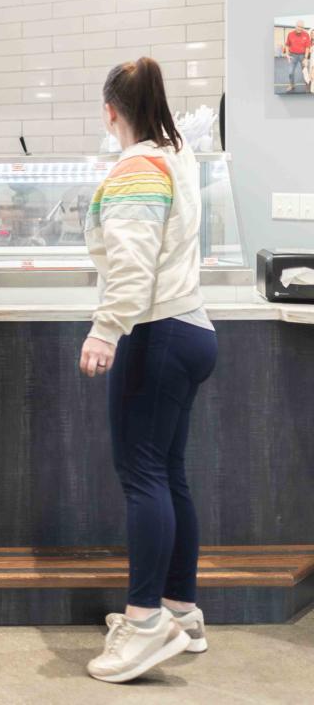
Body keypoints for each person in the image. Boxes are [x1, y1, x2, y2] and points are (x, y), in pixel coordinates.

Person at [80, 58, 218, 684]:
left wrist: (105, 329)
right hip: (191, 328)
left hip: (153, 332)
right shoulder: (177, 155)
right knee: (168, 473)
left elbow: (132, 262)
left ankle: (142, 626)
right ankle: (180, 611)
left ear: (111, 110)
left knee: (142, 477)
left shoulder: (137, 165)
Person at [282, 20, 312, 93]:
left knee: (305, 72)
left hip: (302, 55)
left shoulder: (306, 35)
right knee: (290, 72)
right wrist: (287, 54)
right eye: (299, 26)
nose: (300, 28)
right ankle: (292, 85)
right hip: (293, 56)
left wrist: (305, 58)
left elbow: (307, 47)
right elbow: (287, 45)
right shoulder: (290, 34)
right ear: (295, 26)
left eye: (302, 27)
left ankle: (307, 85)